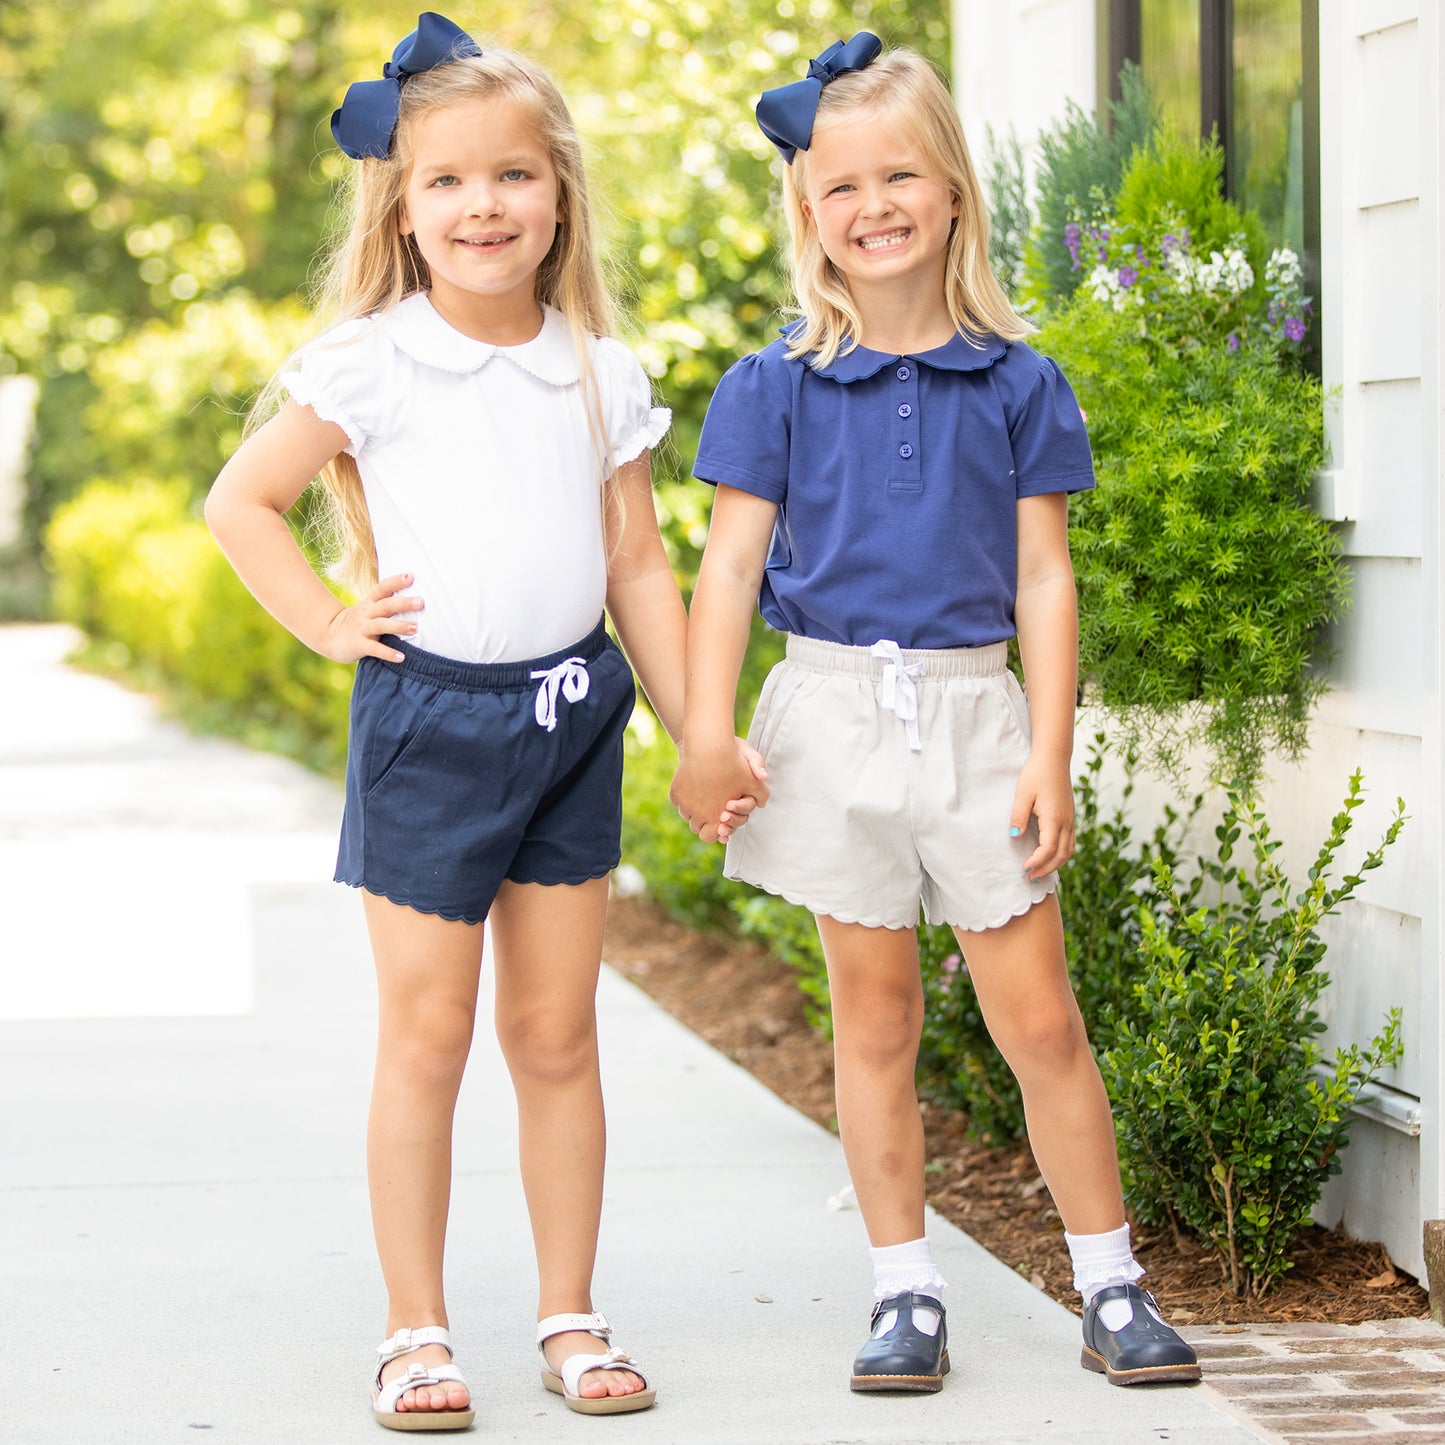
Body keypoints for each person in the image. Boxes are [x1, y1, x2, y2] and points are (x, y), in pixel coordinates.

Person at [206, 13, 762, 1430]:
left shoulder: (598, 370)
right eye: (447, 181)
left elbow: (637, 564)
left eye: (512, 176)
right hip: (429, 727)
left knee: (556, 1030)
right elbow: (240, 501)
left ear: (558, 192)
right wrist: (332, 620)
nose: (481, 205)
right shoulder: (372, 360)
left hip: (572, 719)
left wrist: (703, 726)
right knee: (428, 1033)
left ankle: (570, 1315)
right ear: (402, 201)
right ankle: (414, 1329)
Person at [670, 33, 1200, 1394]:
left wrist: (1048, 752)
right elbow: (727, 567)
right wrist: (704, 729)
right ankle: (904, 1289)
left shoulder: (1018, 380)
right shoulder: (772, 383)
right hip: (829, 715)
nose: (872, 206)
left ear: (953, 190)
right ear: (807, 214)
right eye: (838, 187)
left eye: (898, 174)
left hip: (973, 716)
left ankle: (1109, 1281)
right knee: (876, 1016)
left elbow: (1041, 574)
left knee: (1038, 1017)